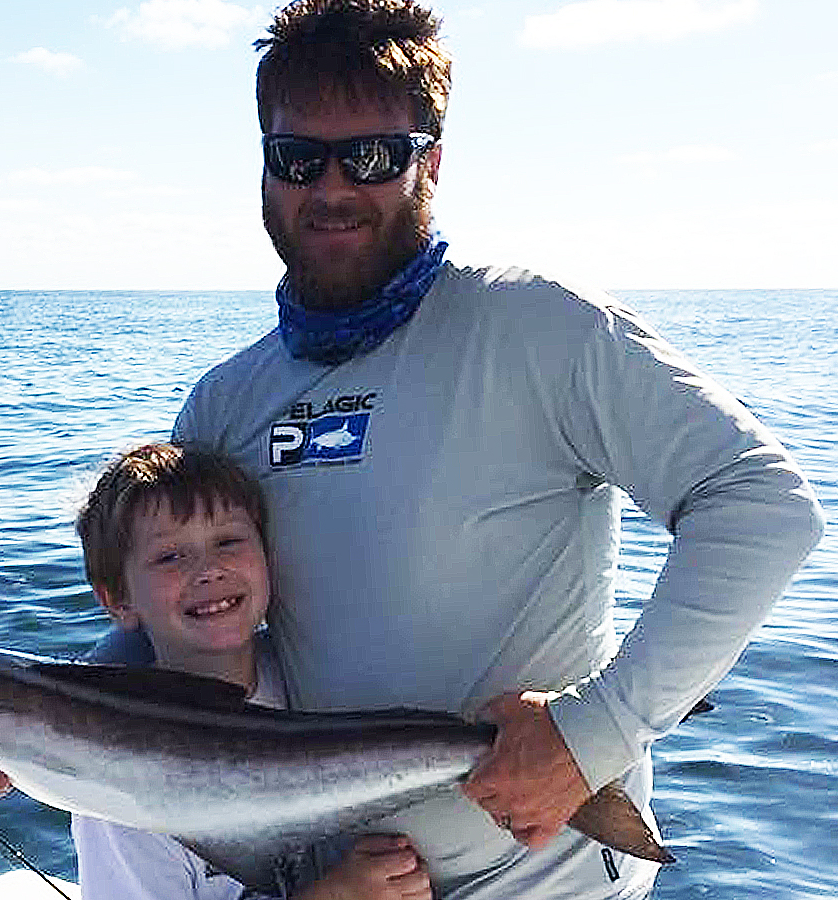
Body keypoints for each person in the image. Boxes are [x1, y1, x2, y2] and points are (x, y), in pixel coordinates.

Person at [155, 1, 823, 898]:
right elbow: (172, 645)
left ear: (429, 161)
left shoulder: (537, 326)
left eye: (374, 156)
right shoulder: (224, 403)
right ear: (266, 169)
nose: (333, 187)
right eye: (299, 158)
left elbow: (761, 504)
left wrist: (602, 731)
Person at [0, 441, 435, 900]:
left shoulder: (308, 671)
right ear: (118, 600)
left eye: (229, 541)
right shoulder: (110, 787)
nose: (209, 570)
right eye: (169, 557)